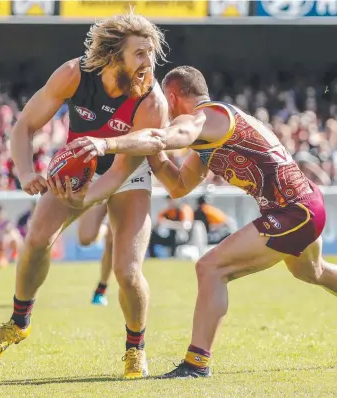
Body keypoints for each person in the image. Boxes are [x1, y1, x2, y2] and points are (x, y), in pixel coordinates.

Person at [71, 65, 337, 379]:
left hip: (293, 211)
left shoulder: (204, 116)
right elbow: (179, 185)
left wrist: (109, 143)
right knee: (312, 271)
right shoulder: (213, 130)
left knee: (210, 268)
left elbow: (169, 135)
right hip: (303, 206)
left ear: (172, 96)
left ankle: (196, 364)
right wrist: (151, 156)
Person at [0, 11, 169, 380]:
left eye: (151, 53)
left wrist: (85, 199)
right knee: (35, 239)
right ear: (115, 55)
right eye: (140, 54)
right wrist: (25, 172)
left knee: (127, 271)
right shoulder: (73, 74)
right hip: (79, 168)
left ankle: (135, 348)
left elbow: (117, 173)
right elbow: (24, 127)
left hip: (126, 173)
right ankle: (19, 322)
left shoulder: (152, 101)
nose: (149, 62)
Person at [78, 205, 113, 306]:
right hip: (98, 191)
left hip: (123, 192)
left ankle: (101, 289)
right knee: (85, 238)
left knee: (111, 243)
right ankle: (105, 227)